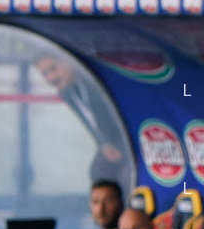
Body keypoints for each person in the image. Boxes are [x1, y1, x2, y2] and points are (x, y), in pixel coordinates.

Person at [36, 54, 133, 188]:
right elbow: (91, 123)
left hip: (130, 137)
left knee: (126, 175)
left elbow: (119, 115)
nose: (50, 77)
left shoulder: (94, 81)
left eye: (53, 69)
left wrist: (120, 146)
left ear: (68, 62)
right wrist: (104, 144)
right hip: (110, 144)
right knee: (99, 172)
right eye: (45, 74)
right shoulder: (67, 92)